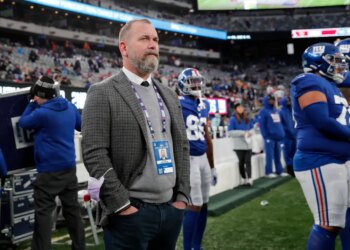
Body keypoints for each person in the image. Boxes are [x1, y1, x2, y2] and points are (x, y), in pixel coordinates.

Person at [81, 19, 190, 250]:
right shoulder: (102, 92)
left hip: (170, 210)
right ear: (123, 48)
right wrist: (122, 205)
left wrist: (182, 196)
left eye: (155, 39)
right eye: (144, 38)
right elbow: (94, 154)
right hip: (131, 213)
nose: (153, 45)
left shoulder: (169, 95)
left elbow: (182, 146)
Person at [290, 42, 350, 250]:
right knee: (328, 224)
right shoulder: (308, 80)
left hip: (337, 158)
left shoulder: (331, 85)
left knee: (342, 217)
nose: (340, 66)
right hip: (319, 159)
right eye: (335, 61)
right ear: (317, 62)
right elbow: (321, 121)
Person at [19, 75, 85, 250]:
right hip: (69, 169)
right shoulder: (70, 107)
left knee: (43, 216)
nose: (35, 98)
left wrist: (31, 104)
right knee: (73, 213)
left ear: (41, 95)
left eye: (36, 96)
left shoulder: (41, 113)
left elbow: (23, 123)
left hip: (48, 172)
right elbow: (81, 125)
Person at [177, 68, 217, 250]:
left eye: (198, 81)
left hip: (202, 158)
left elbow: (207, 136)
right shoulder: (177, 104)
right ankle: (188, 248)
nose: (196, 85)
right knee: (194, 204)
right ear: (183, 84)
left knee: (204, 203)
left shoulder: (204, 105)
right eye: (192, 81)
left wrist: (212, 165)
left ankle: (196, 245)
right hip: (189, 159)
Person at [258, 94, 287, 177]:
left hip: (278, 137)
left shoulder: (276, 110)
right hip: (269, 138)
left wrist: (282, 134)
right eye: (270, 100)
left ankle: (279, 171)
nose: (272, 101)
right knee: (269, 156)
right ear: (266, 101)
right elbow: (262, 125)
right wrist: (265, 137)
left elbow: (279, 123)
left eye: (273, 100)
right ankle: (269, 172)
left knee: (278, 155)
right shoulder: (263, 112)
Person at [228, 103, 254, 185]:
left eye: (242, 107)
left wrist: (250, 133)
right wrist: (243, 133)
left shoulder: (247, 118)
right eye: (239, 107)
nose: (241, 109)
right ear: (236, 109)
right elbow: (230, 132)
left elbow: (252, 128)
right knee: (241, 162)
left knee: (248, 161)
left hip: (248, 143)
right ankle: (244, 178)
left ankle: (250, 178)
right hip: (239, 145)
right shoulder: (233, 119)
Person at [279, 96, 296, 177]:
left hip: (294, 135)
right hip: (287, 136)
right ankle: (289, 168)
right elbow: (282, 125)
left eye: (289, 101)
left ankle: (294, 167)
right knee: (287, 152)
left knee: (294, 151)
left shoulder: (291, 110)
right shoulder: (281, 112)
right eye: (287, 101)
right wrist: (288, 132)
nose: (289, 102)